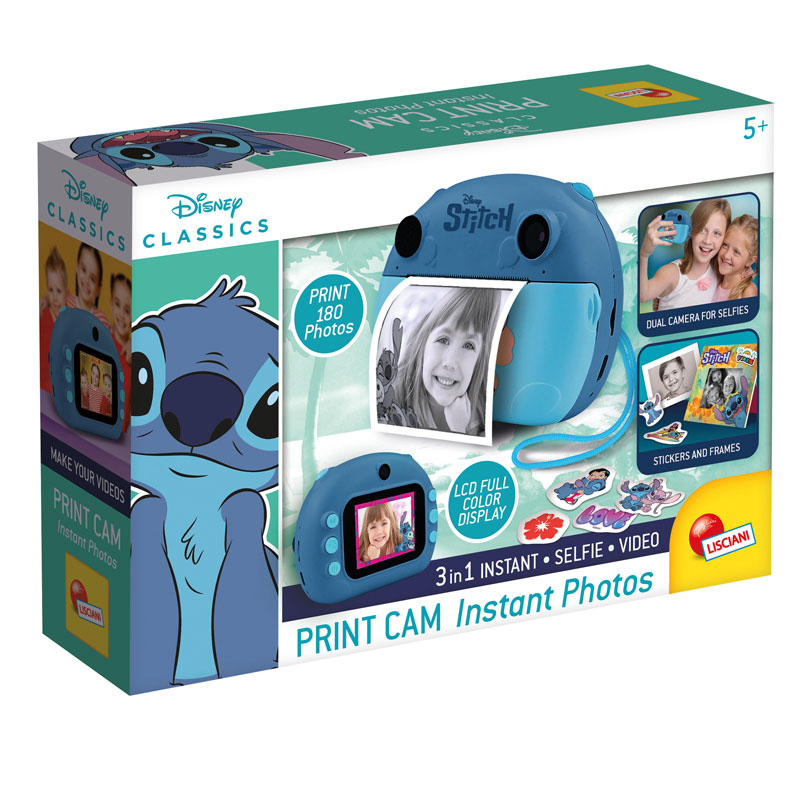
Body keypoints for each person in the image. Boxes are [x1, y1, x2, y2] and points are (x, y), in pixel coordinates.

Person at [394, 287, 501, 435]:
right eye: (443, 340)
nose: (450, 363)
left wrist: (460, 430)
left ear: (479, 362)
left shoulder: (485, 415)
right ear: (423, 344)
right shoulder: (393, 397)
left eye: (468, 346)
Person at [640, 198, 731, 310]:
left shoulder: (720, 273)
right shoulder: (671, 273)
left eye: (717, 233)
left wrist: (747, 272)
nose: (707, 241)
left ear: (725, 238)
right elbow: (643, 295)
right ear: (691, 231)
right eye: (702, 230)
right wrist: (644, 255)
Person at [40, 247, 68, 391]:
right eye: (51, 290)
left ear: (66, 292)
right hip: (43, 388)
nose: (55, 297)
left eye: (59, 291)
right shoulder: (43, 315)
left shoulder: (69, 319)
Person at [713, 214, 759, 302]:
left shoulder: (748, 291)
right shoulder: (714, 279)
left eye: (736, 252)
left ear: (750, 261)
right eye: (725, 245)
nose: (726, 255)